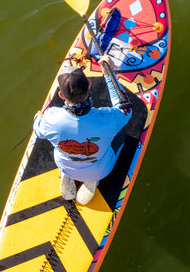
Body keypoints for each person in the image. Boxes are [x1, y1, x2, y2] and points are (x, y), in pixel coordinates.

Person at [33, 63, 130, 205]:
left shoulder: (50, 118)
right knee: (120, 132)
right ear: (89, 84)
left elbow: (38, 131)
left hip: (64, 164)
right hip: (99, 170)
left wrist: (38, 117)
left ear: (61, 95)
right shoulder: (108, 118)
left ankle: (67, 174)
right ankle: (91, 180)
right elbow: (126, 108)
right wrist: (109, 75)